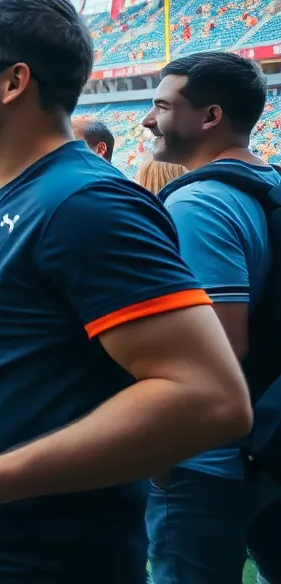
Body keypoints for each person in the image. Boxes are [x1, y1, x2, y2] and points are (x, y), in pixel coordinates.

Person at [0, 0, 252, 583]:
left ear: (14, 82)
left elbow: (211, 398)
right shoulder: (8, 195)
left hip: (40, 560)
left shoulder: (85, 203)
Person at [140, 51, 281, 583]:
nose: (148, 119)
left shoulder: (199, 204)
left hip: (208, 461)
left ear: (211, 117)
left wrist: (159, 455)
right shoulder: (269, 182)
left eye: (161, 105)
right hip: (266, 439)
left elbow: (217, 347)